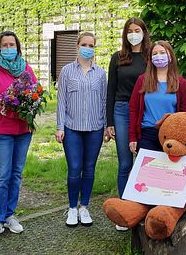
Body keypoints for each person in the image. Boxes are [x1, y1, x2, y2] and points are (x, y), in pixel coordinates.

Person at [0, 30, 37, 241]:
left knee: (16, 174)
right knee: (2, 176)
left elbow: (35, 91)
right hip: (3, 130)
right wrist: (16, 112)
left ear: (18, 47)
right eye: (4, 45)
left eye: (11, 44)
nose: (8, 48)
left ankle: (9, 215)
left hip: (23, 131)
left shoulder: (26, 69)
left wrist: (31, 106)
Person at [55, 32, 107, 227]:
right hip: (72, 128)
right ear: (77, 46)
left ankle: (84, 207)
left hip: (95, 128)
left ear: (94, 48)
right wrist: (60, 127)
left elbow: (104, 101)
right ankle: (71, 208)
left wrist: (105, 126)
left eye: (91, 45)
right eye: (84, 44)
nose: (88, 48)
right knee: (75, 168)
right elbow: (61, 102)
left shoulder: (101, 73)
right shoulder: (67, 71)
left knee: (89, 169)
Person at [105, 17, 150, 230]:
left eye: (137, 30)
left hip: (144, 110)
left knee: (145, 161)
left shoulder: (152, 56)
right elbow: (110, 90)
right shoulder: (118, 57)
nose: (133, 34)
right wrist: (109, 122)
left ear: (144, 32)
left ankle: (143, 205)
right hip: (122, 110)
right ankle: (124, 209)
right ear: (125, 34)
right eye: (130, 30)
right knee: (125, 162)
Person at [129, 40, 186, 154]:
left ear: (170, 56)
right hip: (147, 134)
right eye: (155, 54)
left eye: (162, 52)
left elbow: (184, 114)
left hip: (172, 136)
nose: (158, 56)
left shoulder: (181, 83)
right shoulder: (143, 80)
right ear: (150, 59)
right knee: (147, 171)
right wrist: (132, 137)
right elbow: (134, 109)